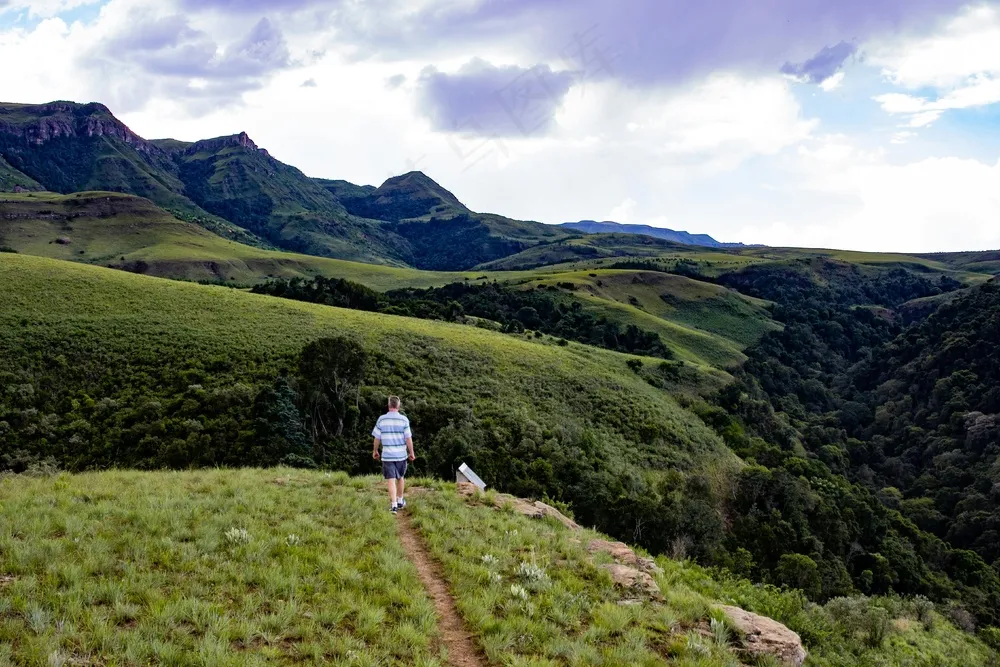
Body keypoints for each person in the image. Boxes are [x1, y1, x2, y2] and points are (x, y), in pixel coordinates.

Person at [372, 395, 415, 513]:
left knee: (391, 479)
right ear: (398, 406)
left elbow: (377, 438)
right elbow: (408, 438)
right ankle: (400, 501)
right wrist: (411, 452)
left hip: (387, 455)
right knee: (400, 477)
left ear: (389, 405)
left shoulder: (381, 419)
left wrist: (375, 451)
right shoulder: (404, 420)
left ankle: (394, 505)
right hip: (401, 454)